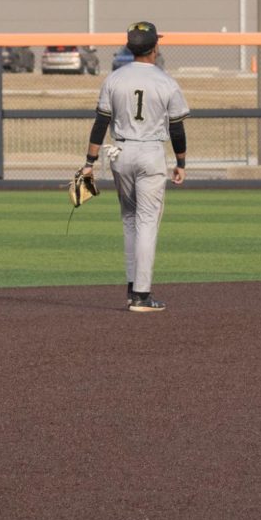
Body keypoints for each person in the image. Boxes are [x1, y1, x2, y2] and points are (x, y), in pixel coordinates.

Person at [81, 21, 189, 312]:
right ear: (155, 47)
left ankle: (132, 288)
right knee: (147, 222)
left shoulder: (115, 78)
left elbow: (100, 123)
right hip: (151, 152)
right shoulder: (165, 81)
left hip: (121, 152)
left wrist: (89, 163)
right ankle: (142, 295)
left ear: (130, 47)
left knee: (129, 219)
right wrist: (181, 162)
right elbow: (177, 129)